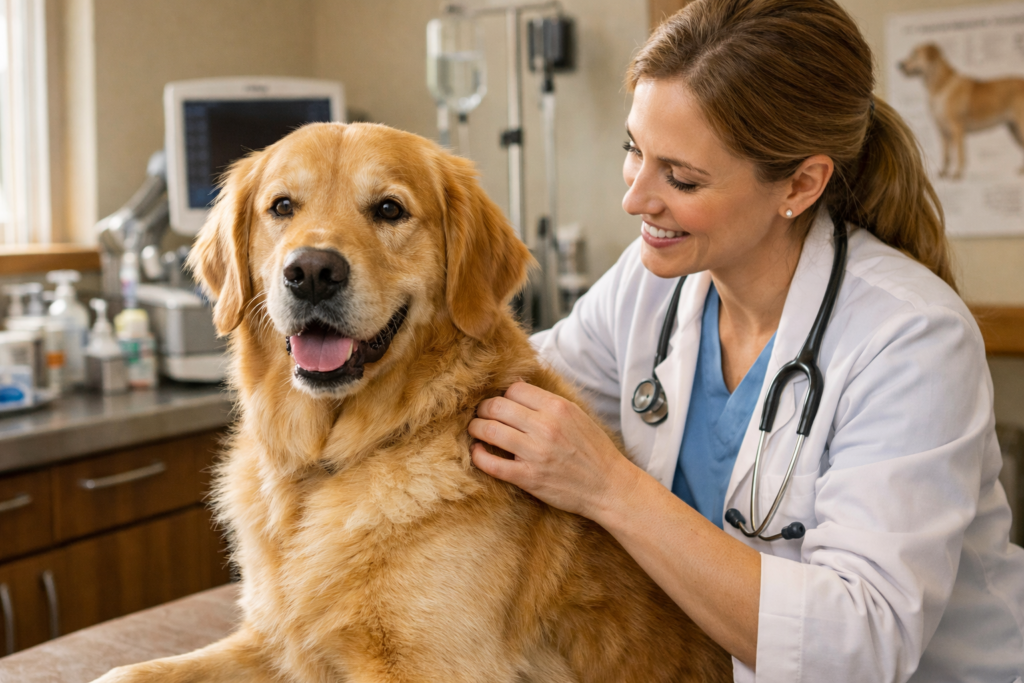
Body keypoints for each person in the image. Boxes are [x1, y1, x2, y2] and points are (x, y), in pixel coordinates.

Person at [466, 0, 1024, 680]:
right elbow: (501, 392)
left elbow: (859, 643)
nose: (636, 197)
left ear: (799, 183)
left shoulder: (911, 338)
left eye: (682, 177)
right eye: (632, 151)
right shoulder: (648, 287)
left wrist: (608, 487)